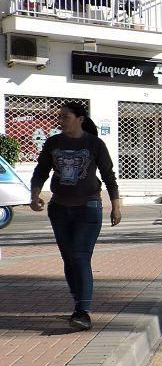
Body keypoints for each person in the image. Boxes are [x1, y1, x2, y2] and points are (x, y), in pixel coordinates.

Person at [29, 101, 122, 332]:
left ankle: (83, 311)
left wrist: (116, 206)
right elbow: (41, 170)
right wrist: (35, 195)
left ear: (80, 119)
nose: (60, 120)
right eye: (59, 116)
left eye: (65, 116)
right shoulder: (53, 142)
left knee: (80, 256)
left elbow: (109, 176)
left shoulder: (94, 144)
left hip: (88, 207)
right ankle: (78, 298)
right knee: (69, 258)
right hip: (59, 209)